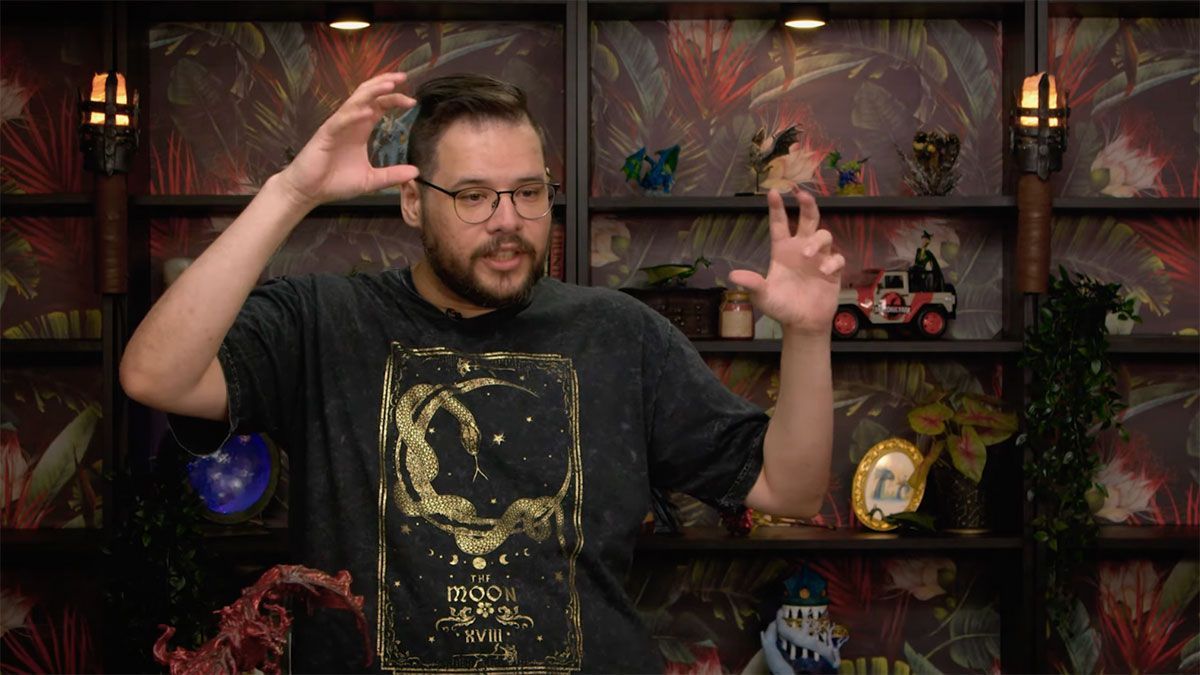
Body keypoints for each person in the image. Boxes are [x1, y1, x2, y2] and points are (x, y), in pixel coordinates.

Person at [120, 71, 844, 673]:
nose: (508, 219)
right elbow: (156, 375)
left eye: (529, 192)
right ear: (413, 202)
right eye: (473, 196)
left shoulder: (618, 331)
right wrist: (290, 194)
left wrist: (809, 334)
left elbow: (792, 485)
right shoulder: (323, 321)